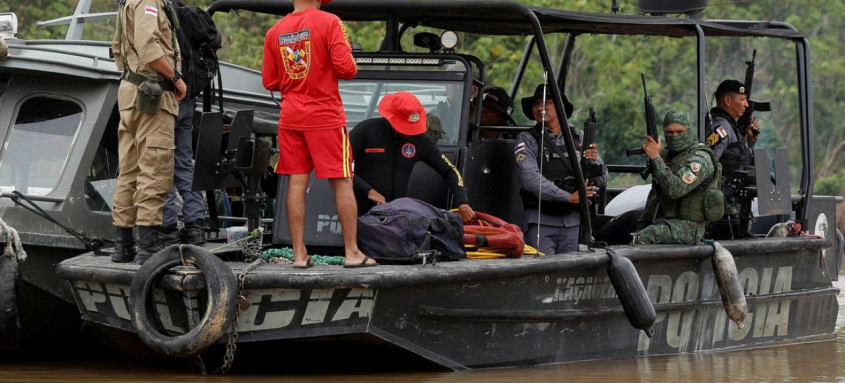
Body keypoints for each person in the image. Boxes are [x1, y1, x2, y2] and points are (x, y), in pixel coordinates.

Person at [262, 0, 376, 268]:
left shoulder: (274, 31)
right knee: (343, 181)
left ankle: (299, 255)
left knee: (297, 184)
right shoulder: (330, 21)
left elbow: (270, 81)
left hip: (291, 116)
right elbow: (347, 69)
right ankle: (352, 253)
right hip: (325, 115)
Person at [110, 0, 187, 264]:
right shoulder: (149, 2)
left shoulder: (128, 2)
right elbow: (148, 47)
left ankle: (123, 246)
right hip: (151, 94)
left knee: (129, 170)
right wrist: (175, 78)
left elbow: (118, 50)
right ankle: (148, 249)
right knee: (154, 168)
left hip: (131, 91)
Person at [350, 91, 477, 223]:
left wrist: (462, 202)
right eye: (404, 126)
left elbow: (450, 171)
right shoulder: (366, 130)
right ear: (392, 117)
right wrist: (369, 191)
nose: (408, 132)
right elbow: (339, 165)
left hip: (396, 218)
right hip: (360, 215)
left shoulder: (420, 140)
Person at [514, 85, 607, 255]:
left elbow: (603, 179)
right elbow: (530, 180)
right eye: (536, 104)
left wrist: (593, 162)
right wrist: (568, 197)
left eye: (547, 102)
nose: (540, 107)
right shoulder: (527, 139)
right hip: (541, 222)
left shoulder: (579, 137)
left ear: (561, 106)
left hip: (573, 223)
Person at [161, 3, 222, 247]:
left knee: (161, 165)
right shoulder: (189, 15)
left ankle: (167, 230)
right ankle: (195, 226)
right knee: (184, 163)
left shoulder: (161, 16)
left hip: (168, 98)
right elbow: (215, 39)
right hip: (188, 101)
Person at [634, 110, 720, 245]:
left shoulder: (700, 159)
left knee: (646, 236)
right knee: (626, 227)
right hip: (665, 220)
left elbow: (676, 189)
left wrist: (655, 158)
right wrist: (643, 223)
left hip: (690, 228)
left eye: (680, 132)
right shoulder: (667, 156)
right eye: (669, 132)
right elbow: (655, 194)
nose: (674, 136)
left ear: (689, 131)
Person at [705, 79, 761, 239]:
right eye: (742, 100)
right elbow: (708, 162)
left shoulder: (731, 126)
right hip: (721, 210)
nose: (746, 105)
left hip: (734, 205)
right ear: (728, 100)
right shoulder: (720, 127)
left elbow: (738, 157)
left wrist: (750, 141)